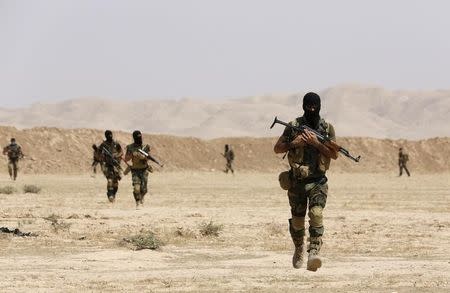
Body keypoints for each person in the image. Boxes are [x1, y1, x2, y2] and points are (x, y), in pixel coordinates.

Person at [273, 92, 338, 271]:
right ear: (303, 106)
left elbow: (334, 154)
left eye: (314, 106)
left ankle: (314, 252)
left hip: (318, 181)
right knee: (297, 221)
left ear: (319, 107)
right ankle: (299, 247)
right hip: (297, 182)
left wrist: (316, 143)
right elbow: (277, 149)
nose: (311, 109)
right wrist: (294, 143)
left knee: (316, 214)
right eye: (308, 106)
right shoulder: (294, 126)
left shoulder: (326, 128)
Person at [124, 130, 153, 208]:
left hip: (144, 170)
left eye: (140, 137)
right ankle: (137, 202)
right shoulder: (130, 147)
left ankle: (142, 197)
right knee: (136, 188)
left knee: (144, 189)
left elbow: (149, 158)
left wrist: (144, 157)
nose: (139, 139)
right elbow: (126, 159)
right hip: (135, 170)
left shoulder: (145, 147)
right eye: (137, 138)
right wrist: (132, 155)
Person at [98, 130, 123, 202]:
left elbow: (121, 152)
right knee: (109, 180)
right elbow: (98, 154)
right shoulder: (103, 145)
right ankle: (110, 195)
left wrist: (116, 156)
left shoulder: (116, 144)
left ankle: (113, 194)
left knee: (115, 183)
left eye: (111, 135)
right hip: (108, 166)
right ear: (106, 136)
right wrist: (103, 158)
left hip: (116, 166)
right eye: (108, 135)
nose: (110, 136)